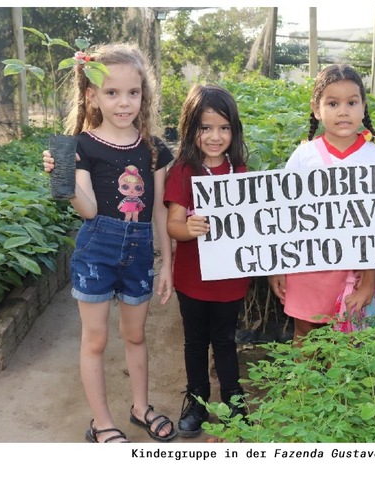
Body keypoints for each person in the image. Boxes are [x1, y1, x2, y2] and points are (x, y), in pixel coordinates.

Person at [42, 43, 176, 443]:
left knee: (136, 335)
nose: (123, 103)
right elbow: (88, 209)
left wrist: (166, 263)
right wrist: (63, 182)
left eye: (132, 93)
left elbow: (159, 212)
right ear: (92, 96)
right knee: (96, 339)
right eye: (112, 93)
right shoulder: (81, 147)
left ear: (143, 95)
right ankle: (101, 422)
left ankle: (140, 407)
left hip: (138, 255)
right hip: (95, 252)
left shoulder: (153, 150)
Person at [268, 64, 375, 346]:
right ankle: (302, 390)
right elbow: (281, 216)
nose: (343, 111)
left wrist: (369, 281)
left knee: (348, 342)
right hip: (307, 268)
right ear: (316, 108)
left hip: (356, 270)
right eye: (333, 103)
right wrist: (277, 268)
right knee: (305, 334)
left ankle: (338, 390)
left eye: (352, 102)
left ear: (364, 106)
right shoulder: (303, 156)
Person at [163, 84, 251, 437]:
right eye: (206, 128)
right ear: (191, 129)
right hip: (192, 278)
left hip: (231, 280)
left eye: (224, 128)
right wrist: (188, 227)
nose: (216, 137)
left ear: (234, 130)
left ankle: (233, 400)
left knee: (227, 341)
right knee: (195, 342)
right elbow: (172, 224)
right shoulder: (184, 171)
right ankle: (197, 401)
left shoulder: (241, 172)